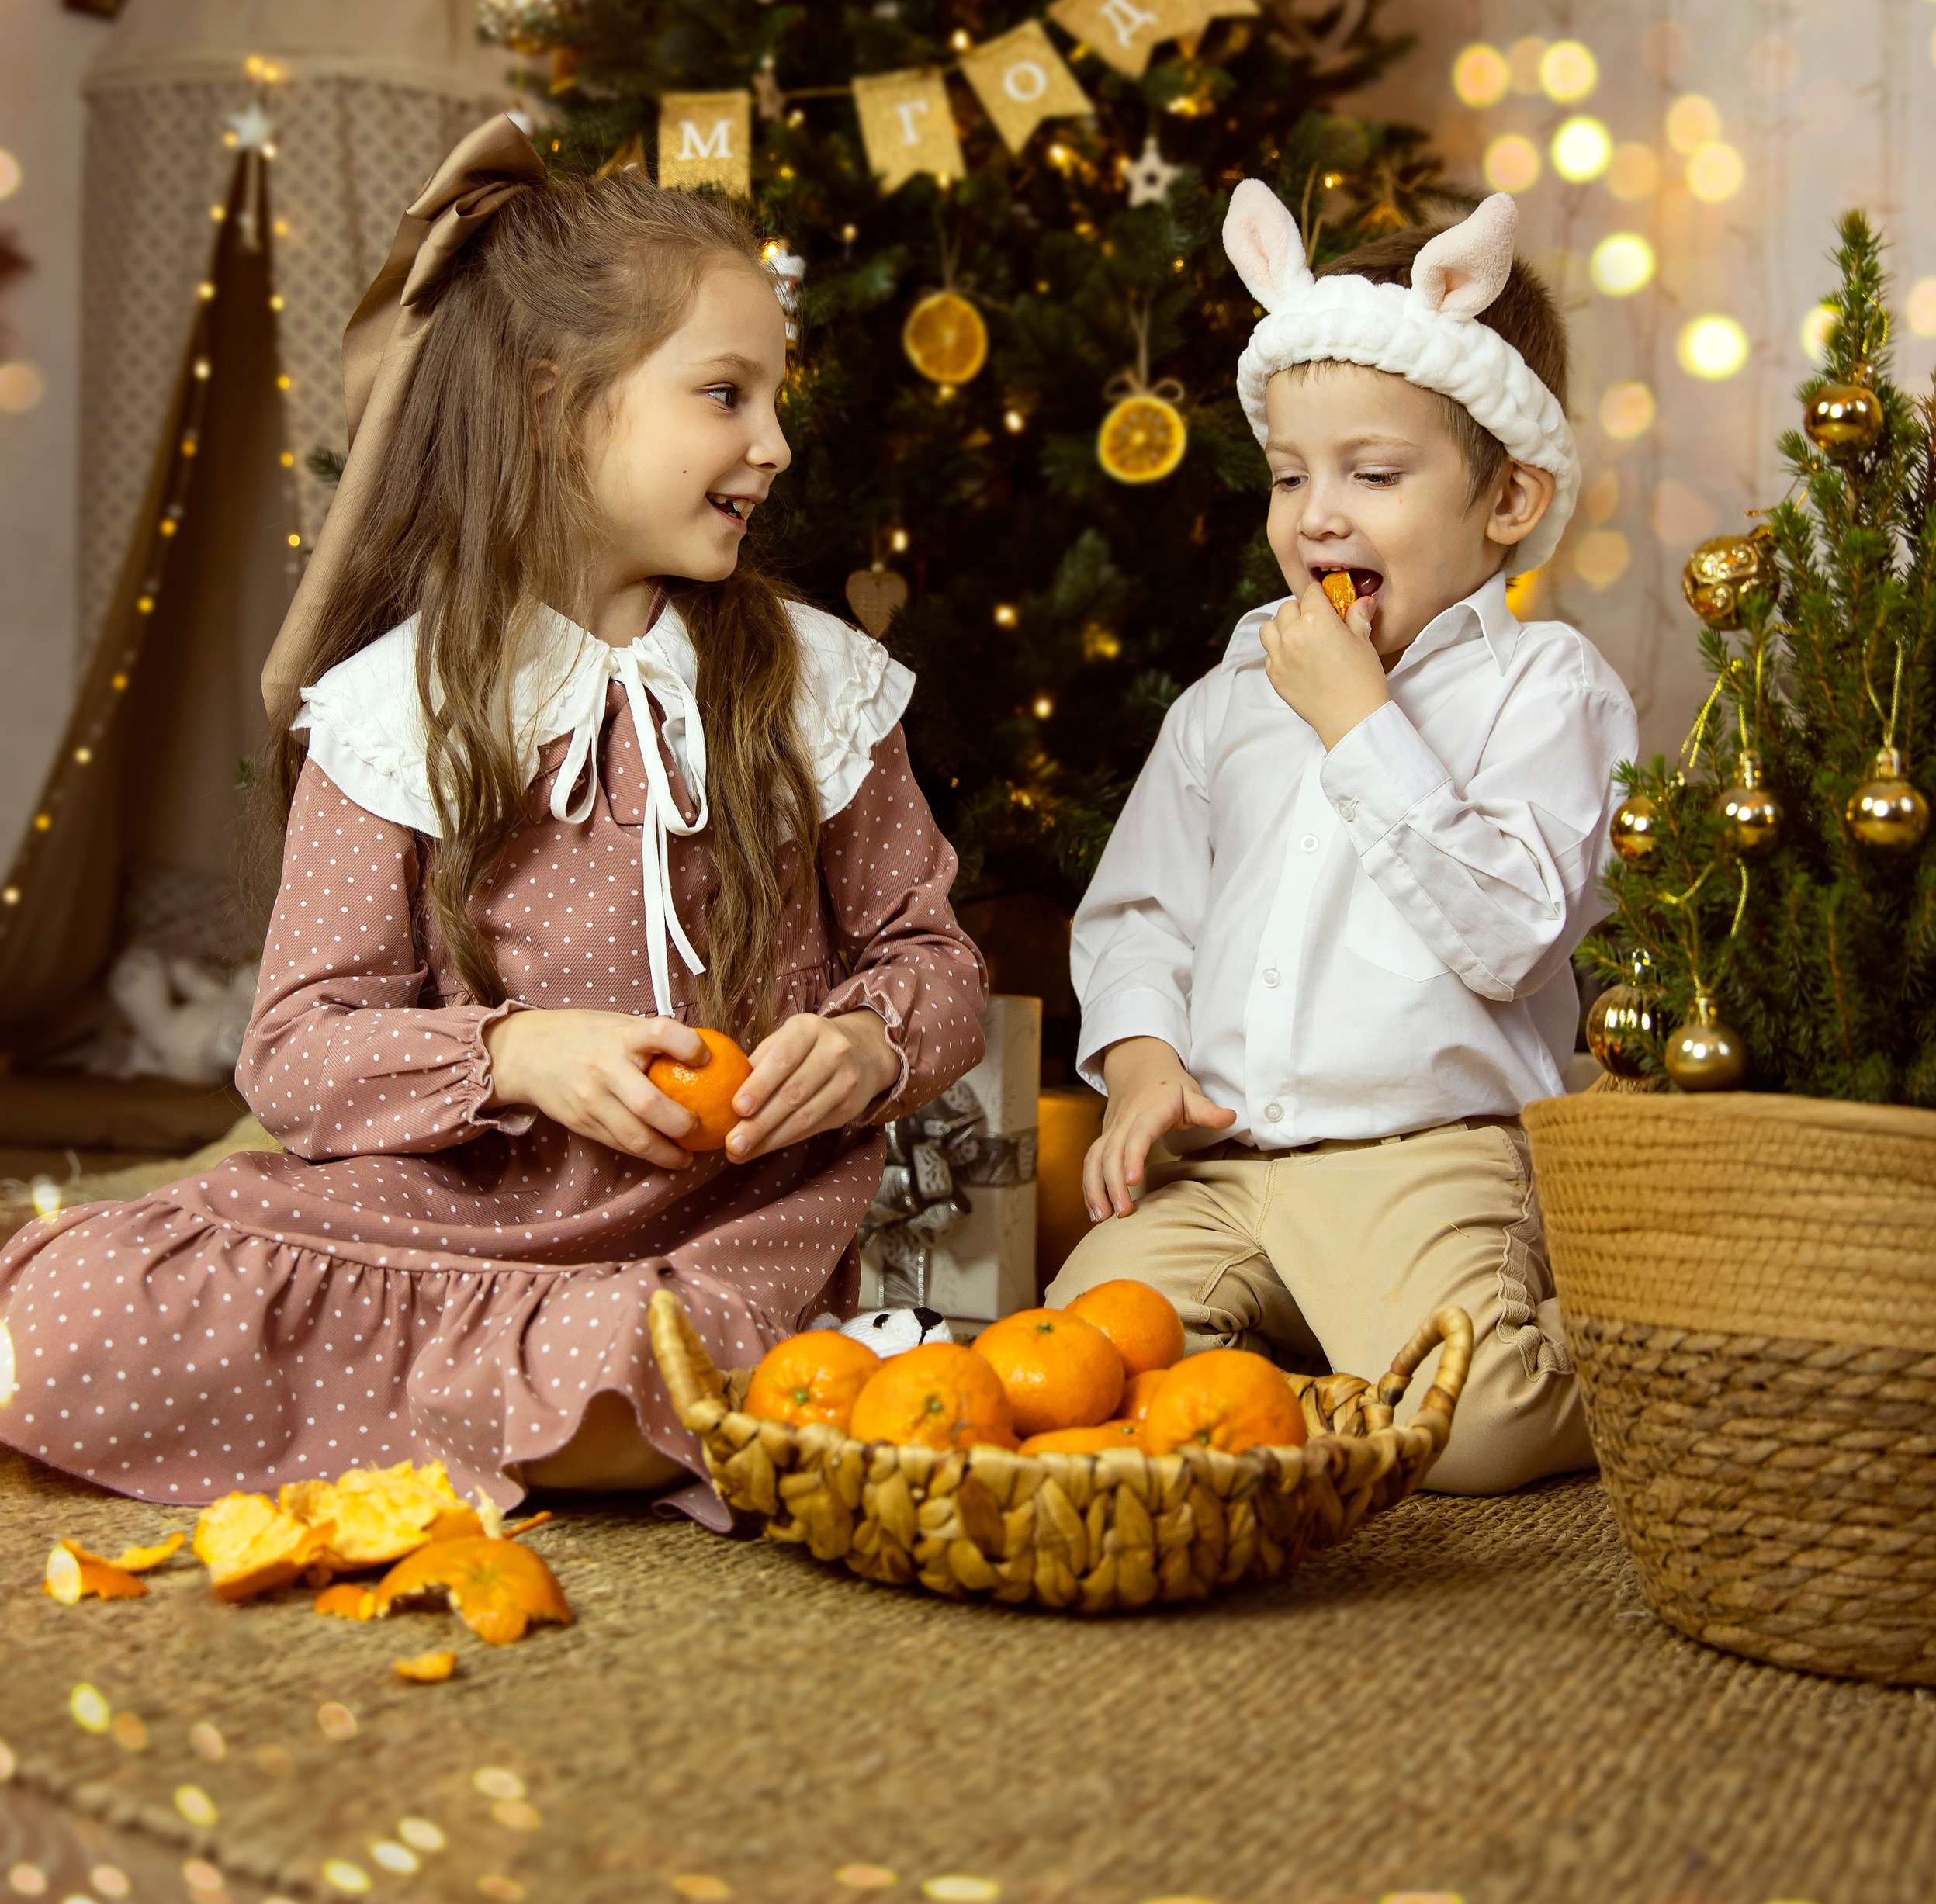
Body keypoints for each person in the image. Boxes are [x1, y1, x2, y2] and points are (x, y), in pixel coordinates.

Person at [0, 115, 985, 1514]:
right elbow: (295, 1056)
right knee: (72, 1305)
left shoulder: (812, 682)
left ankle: (470, 1410)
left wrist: (865, 1046)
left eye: (776, 398)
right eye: (724, 395)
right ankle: (503, 1414)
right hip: (450, 1208)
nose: (771, 444)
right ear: (552, 403)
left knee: (663, 1361)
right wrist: (514, 1057)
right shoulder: (395, 705)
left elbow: (936, 963)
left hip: (721, 1224)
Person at [1044, 182, 1635, 1492]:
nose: (1319, 516)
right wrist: (1143, 1070)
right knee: (1078, 1370)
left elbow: (1513, 935)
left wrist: (1362, 720)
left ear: (1508, 501)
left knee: (1473, 1429)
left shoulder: (1550, 690)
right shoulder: (1226, 701)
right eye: (1292, 476)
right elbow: (1139, 915)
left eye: (1374, 475)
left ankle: (1647, 1342)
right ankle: (1317, 1379)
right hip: (1224, 1167)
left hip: (1422, 1157)